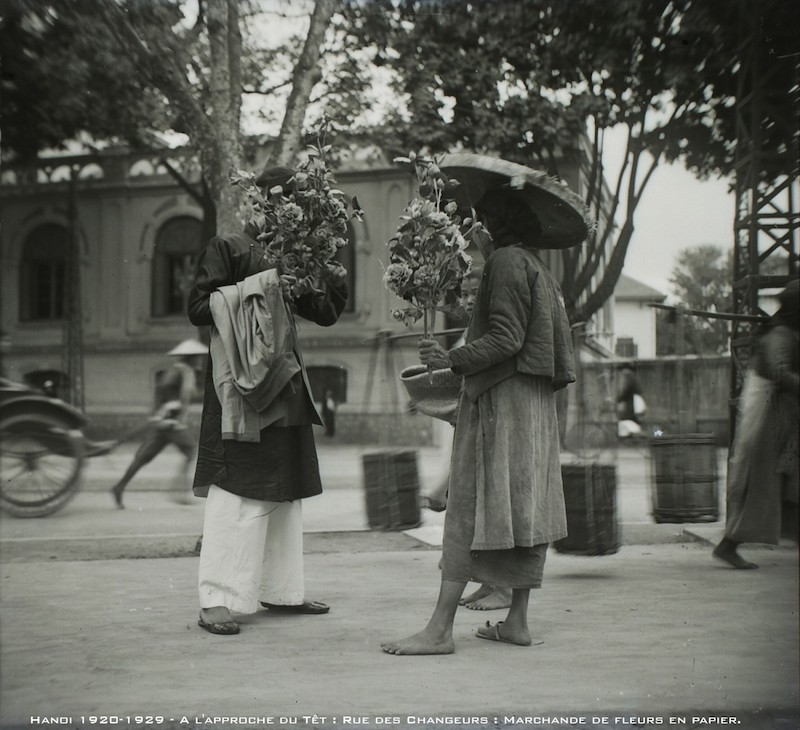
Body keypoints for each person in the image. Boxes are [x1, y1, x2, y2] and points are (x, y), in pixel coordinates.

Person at [381, 192, 576, 655]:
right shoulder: (537, 269)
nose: (473, 235)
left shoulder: (505, 262)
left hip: (501, 406)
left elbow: (506, 338)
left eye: (476, 225)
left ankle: (439, 630)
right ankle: (517, 623)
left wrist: (452, 357)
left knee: (467, 504)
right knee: (524, 508)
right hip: (533, 408)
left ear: (491, 227)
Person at [187, 166, 349, 636]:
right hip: (241, 387)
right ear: (266, 204)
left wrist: (328, 265)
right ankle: (216, 598)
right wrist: (265, 285)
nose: (296, 213)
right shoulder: (230, 248)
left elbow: (326, 313)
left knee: (287, 488)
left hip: (287, 382)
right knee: (237, 487)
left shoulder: (300, 256)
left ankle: (281, 590)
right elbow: (199, 308)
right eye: (290, 203)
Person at [713, 279, 799, 569]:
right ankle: (729, 544)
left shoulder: (784, 332)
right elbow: (780, 372)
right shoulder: (781, 335)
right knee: (760, 482)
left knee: (783, 482)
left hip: (777, 413)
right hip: (767, 416)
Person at [109, 339, 204, 509]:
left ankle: (119, 487)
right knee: (190, 450)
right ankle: (179, 492)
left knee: (143, 457)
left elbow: (188, 395)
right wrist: (168, 408)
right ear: (190, 357)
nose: (200, 360)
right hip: (170, 422)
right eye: (197, 357)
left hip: (167, 423)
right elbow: (164, 388)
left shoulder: (186, 372)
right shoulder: (178, 371)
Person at [616, 364, 646, 439]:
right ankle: (635, 434)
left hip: (630, 402)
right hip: (633, 400)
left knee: (626, 418)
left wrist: (618, 399)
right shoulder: (631, 375)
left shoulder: (627, 374)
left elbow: (624, 389)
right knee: (632, 419)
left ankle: (633, 434)